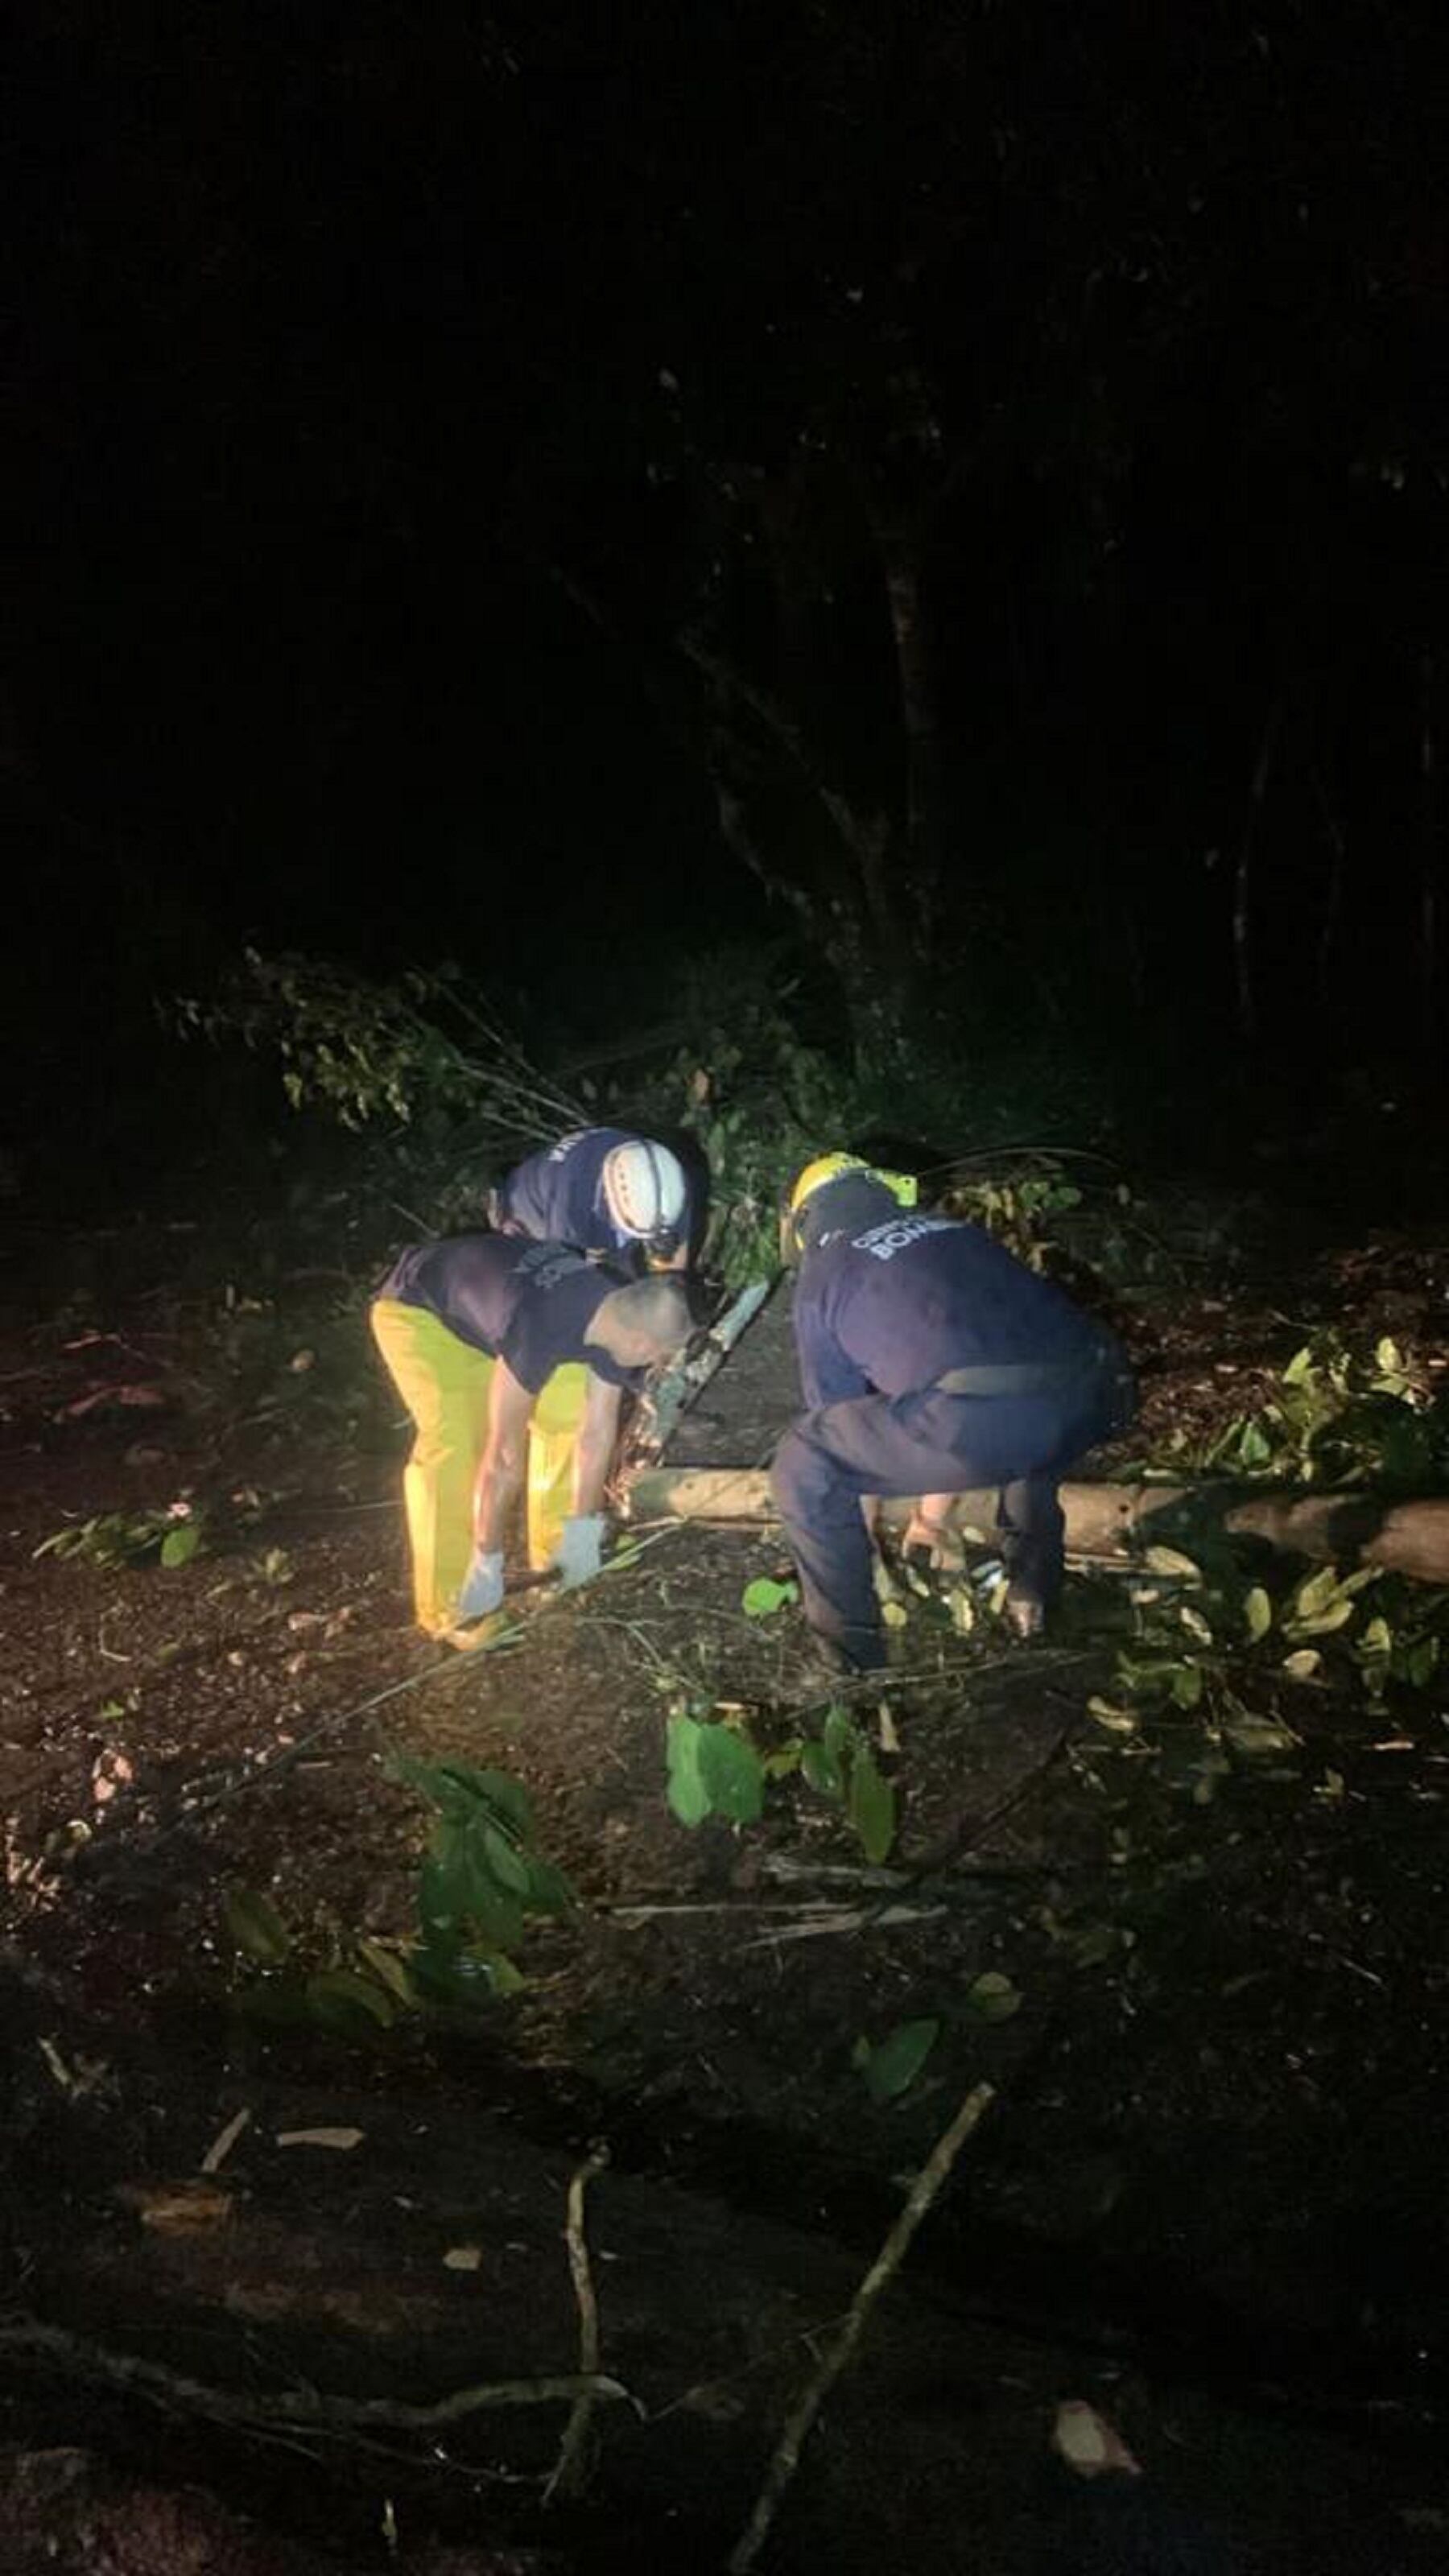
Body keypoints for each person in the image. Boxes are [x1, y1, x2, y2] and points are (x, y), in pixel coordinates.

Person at [771, 1154, 1135, 1672]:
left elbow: (842, 1430)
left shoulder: (824, 1275)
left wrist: (868, 1548)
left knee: (805, 1457)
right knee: (1023, 1412)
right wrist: (930, 1521)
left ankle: (852, 1666)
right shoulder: (952, 1231)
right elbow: (974, 1362)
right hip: (1099, 1393)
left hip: (993, 1418)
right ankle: (1033, 1597)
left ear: (803, 1220)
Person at [371, 1233, 692, 1642]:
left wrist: (584, 1534)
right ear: (640, 1343)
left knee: (568, 1406)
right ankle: (453, 1605)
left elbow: (595, 1434)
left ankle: (557, 1560)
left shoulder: (618, 1310)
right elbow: (503, 1458)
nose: (652, 1368)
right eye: (655, 1358)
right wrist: (488, 1562)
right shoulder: (537, 1329)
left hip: (492, 1310)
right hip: (418, 1311)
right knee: (459, 1441)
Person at [489, 1127, 696, 1273]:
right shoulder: (568, 1215)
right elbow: (565, 1286)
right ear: (607, 1198)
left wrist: (669, 1285)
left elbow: (675, 1258)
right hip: (527, 1213)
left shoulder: (666, 1177)